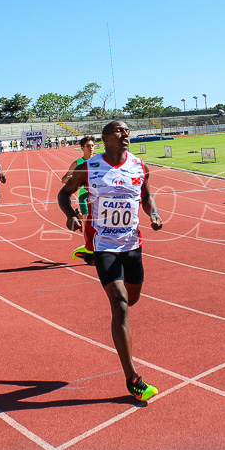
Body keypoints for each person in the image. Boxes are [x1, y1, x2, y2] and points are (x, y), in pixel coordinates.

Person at [58, 121, 164, 402]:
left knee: (131, 299)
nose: (125, 134)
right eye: (119, 130)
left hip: (132, 245)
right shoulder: (89, 168)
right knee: (119, 304)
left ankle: (120, 321)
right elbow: (63, 193)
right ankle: (133, 378)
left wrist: (153, 213)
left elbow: (147, 197)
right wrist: (70, 214)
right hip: (103, 246)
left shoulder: (140, 166)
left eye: (127, 130)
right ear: (105, 138)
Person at [61, 136, 97, 263]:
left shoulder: (99, 160)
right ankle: (88, 248)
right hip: (84, 195)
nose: (91, 148)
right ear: (82, 147)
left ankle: (79, 214)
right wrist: (77, 179)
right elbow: (64, 178)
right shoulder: (77, 163)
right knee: (88, 222)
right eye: (88, 146)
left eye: (92, 145)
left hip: (99, 195)